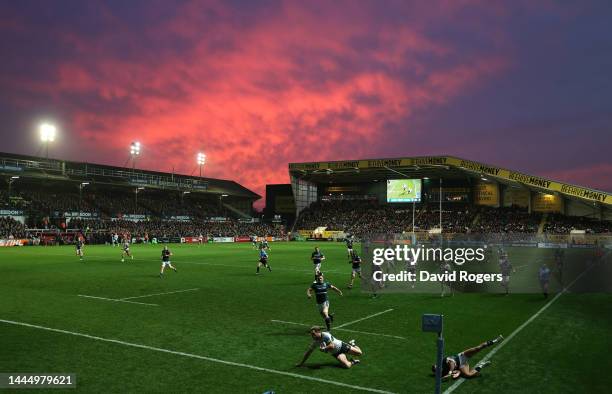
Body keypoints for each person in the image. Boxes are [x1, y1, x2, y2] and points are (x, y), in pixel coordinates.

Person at [432, 335, 504, 379]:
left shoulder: (443, 361)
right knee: (468, 375)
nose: (438, 369)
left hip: (462, 357)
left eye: (437, 367)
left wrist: (450, 372)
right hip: (462, 365)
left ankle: (496, 340)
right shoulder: (443, 372)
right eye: (437, 370)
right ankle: (482, 365)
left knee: (478, 348)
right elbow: (456, 370)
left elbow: (452, 363)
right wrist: (457, 373)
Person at [296, 326, 362, 369]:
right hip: (336, 353)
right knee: (347, 366)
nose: (312, 336)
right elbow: (308, 352)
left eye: (313, 334)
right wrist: (301, 363)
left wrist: (324, 349)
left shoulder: (325, 335)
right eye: (311, 334)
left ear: (318, 332)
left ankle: (352, 344)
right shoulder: (315, 342)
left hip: (342, 346)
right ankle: (353, 361)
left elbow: (332, 346)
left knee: (359, 353)